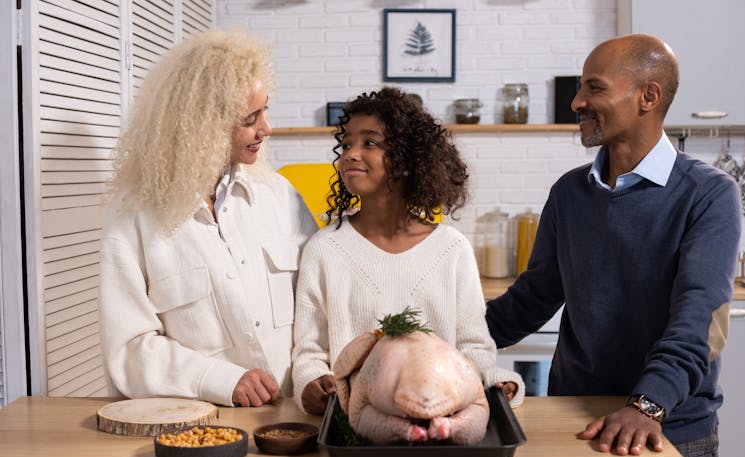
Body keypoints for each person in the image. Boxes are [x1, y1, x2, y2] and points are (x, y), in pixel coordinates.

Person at [486, 34, 740, 457]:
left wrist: (647, 405)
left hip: (670, 429)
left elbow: (698, 319)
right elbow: (531, 299)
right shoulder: (569, 192)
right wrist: (444, 344)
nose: (578, 102)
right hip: (575, 422)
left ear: (648, 96)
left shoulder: (707, 193)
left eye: (594, 88)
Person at [99, 29, 317, 408]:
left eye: (265, 110)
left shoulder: (280, 196)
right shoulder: (132, 219)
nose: (266, 128)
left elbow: (320, 306)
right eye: (251, 117)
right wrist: (219, 380)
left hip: (296, 422)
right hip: (200, 426)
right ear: (205, 124)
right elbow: (129, 347)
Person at [292, 87, 525, 416]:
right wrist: (312, 382)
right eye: (346, 144)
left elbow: (474, 348)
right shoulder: (324, 250)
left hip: (438, 416)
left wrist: (494, 381)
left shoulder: (452, 249)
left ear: (406, 158)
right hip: (353, 421)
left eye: (369, 143)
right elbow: (309, 351)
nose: (350, 154)